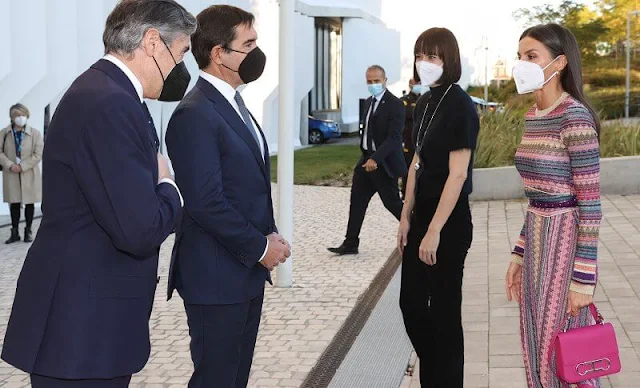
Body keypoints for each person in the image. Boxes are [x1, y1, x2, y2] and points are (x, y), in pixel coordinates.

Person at [1, 1, 196, 386]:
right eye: (183, 51)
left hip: (86, 327)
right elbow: (139, 229)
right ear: (153, 42)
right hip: (83, 333)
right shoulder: (110, 102)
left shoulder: (108, 91)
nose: (180, 67)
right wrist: (169, 185)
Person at [165, 5, 291, 388]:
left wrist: (269, 236)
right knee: (216, 380)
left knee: (235, 378)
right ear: (219, 53)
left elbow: (246, 184)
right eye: (248, 44)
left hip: (243, 273)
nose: (257, 53)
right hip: (216, 277)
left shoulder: (235, 105)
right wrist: (259, 246)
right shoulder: (195, 114)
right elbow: (206, 202)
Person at [505, 23, 602, 388]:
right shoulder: (532, 118)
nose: (522, 64)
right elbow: (536, 197)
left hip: (565, 245)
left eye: (532, 57)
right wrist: (517, 256)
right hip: (536, 243)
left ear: (559, 63)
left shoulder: (574, 117)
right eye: (520, 56)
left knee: (564, 352)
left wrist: (583, 280)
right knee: (534, 344)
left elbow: (590, 207)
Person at [397, 28, 479, 388]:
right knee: (411, 307)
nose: (425, 63)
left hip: (449, 222)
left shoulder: (460, 105)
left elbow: (457, 175)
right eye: (420, 55)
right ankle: (435, 377)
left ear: (449, 60)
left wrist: (434, 230)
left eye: (433, 56)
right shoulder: (425, 101)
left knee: (445, 316)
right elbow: (417, 160)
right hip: (422, 218)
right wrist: (406, 215)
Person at [328, 65, 406, 255]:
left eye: (377, 81)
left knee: (392, 203)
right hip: (365, 161)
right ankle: (350, 243)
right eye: (369, 81)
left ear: (385, 80)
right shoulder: (368, 102)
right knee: (357, 201)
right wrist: (367, 156)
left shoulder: (395, 104)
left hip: (382, 163)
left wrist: (376, 159)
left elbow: (394, 138)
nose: (373, 84)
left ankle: (420, 232)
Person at [0, 103, 44, 244]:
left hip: (28, 172)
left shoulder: (35, 133)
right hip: (11, 172)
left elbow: (38, 154)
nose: (21, 118)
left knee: (29, 202)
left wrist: (22, 166)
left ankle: (28, 231)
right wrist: (10, 165)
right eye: (17, 115)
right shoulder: (5, 133)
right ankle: (14, 232)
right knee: (14, 202)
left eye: (23, 115)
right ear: (12, 118)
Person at [399, 78, 425, 196]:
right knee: (408, 166)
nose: (418, 86)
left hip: (422, 139)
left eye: (419, 84)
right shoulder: (405, 100)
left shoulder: (425, 99)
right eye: (415, 84)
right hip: (408, 139)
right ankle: (405, 192)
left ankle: (419, 191)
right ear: (410, 85)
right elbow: (408, 114)